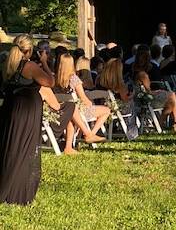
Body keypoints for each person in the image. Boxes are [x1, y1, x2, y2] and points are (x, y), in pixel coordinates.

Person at [0, 35, 55, 204]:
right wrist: (44, 62)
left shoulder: (7, 65)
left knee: (11, 146)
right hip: (27, 111)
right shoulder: (29, 66)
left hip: (11, 108)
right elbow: (50, 82)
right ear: (29, 50)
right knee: (25, 147)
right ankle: (17, 190)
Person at [54, 54, 107, 151]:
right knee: (106, 110)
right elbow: (83, 98)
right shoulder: (73, 79)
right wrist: (90, 103)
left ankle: (69, 147)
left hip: (61, 111)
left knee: (70, 119)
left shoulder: (55, 78)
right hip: (78, 111)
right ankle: (91, 134)